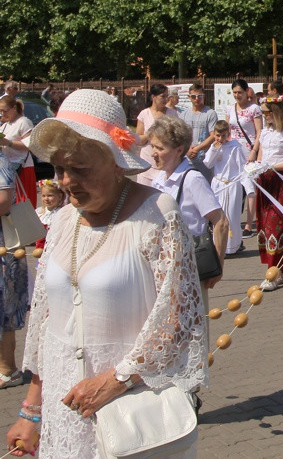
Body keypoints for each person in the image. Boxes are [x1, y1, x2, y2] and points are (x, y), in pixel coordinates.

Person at [8, 89, 207, 457]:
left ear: (116, 162)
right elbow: (47, 322)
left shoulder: (157, 214)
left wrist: (116, 379)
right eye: (59, 169)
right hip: (65, 408)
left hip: (130, 412)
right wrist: (31, 411)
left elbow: (177, 320)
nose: (66, 182)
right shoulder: (65, 218)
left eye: (80, 170)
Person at [148, 116, 228, 299]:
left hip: (190, 267)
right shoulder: (158, 179)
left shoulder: (192, 179)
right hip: (163, 268)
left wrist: (218, 266)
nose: (153, 153)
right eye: (152, 146)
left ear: (179, 150)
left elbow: (221, 222)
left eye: (160, 148)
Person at [250, 98, 283, 289]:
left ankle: (273, 273)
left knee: (277, 224)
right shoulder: (265, 133)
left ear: (275, 112)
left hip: (282, 183)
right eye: (263, 113)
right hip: (266, 182)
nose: (264, 117)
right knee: (266, 225)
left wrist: (271, 167)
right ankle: (281, 272)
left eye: (266, 113)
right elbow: (260, 156)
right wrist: (256, 167)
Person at [0, 151, 28, 390]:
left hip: (5, 247)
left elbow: (4, 201)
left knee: (5, 308)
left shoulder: (1, 162)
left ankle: (8, 370)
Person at [204, 120, 248, 255]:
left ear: (228, 134)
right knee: (218, 216)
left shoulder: (235, 147)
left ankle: (232, 245)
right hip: (218, 184)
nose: (220, 139)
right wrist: (214, 149)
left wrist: (248, 186)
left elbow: (242, 167)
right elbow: (207, 164)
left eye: (223, 136)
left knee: (232, 216)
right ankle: (218, 245)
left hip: (231, 184)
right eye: (217, 136)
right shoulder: (214, 147)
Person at [225, 79, 263, 238]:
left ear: (246, 92)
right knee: (233, 186)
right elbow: (227, 130)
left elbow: (260, 131)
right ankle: (231, 221)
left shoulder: (254, 109)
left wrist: (255, 151)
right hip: (233, 151)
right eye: (234, 92)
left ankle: (249, 224)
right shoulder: (229, 108)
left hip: (248, 150)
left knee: (250, 188)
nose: (237, 95)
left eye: (240, 92)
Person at [136, 83, 180, 187]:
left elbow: (177, 137)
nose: (166, 99)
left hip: (165, 163)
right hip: (147, 162)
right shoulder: (144, 113)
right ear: (153, 97)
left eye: (167, 96)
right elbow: (138, 139)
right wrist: (149, 135)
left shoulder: (172, 114)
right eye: (163, 96)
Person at [0, 96, 36, 206]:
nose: (2, 114)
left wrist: (7, 143)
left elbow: (29, 145)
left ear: (14, 108)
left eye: (4, 110)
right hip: (8, 169)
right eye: (0, 111)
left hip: (22, 168)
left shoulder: (24, 122)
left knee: (23, 204)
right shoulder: (5, 125)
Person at [180, 83, 218, 181]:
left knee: (205, 187)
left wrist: (197, 149)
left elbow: (213, 136)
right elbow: (181, 135)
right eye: (193, 96)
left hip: (204, 159)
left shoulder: (210, 113)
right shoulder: (184, 114)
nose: (196, 99)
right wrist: (187, 150)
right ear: (189, 97)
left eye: (199, 96)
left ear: (203, 96)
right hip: (187, 158)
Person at [34, 179, 65, 251]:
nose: (46, 199)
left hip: (55, 250)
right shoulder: (39, 212)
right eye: (43, 196)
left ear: (60, 196)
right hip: (40, 250)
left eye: (50, 195)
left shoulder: (62, 213)